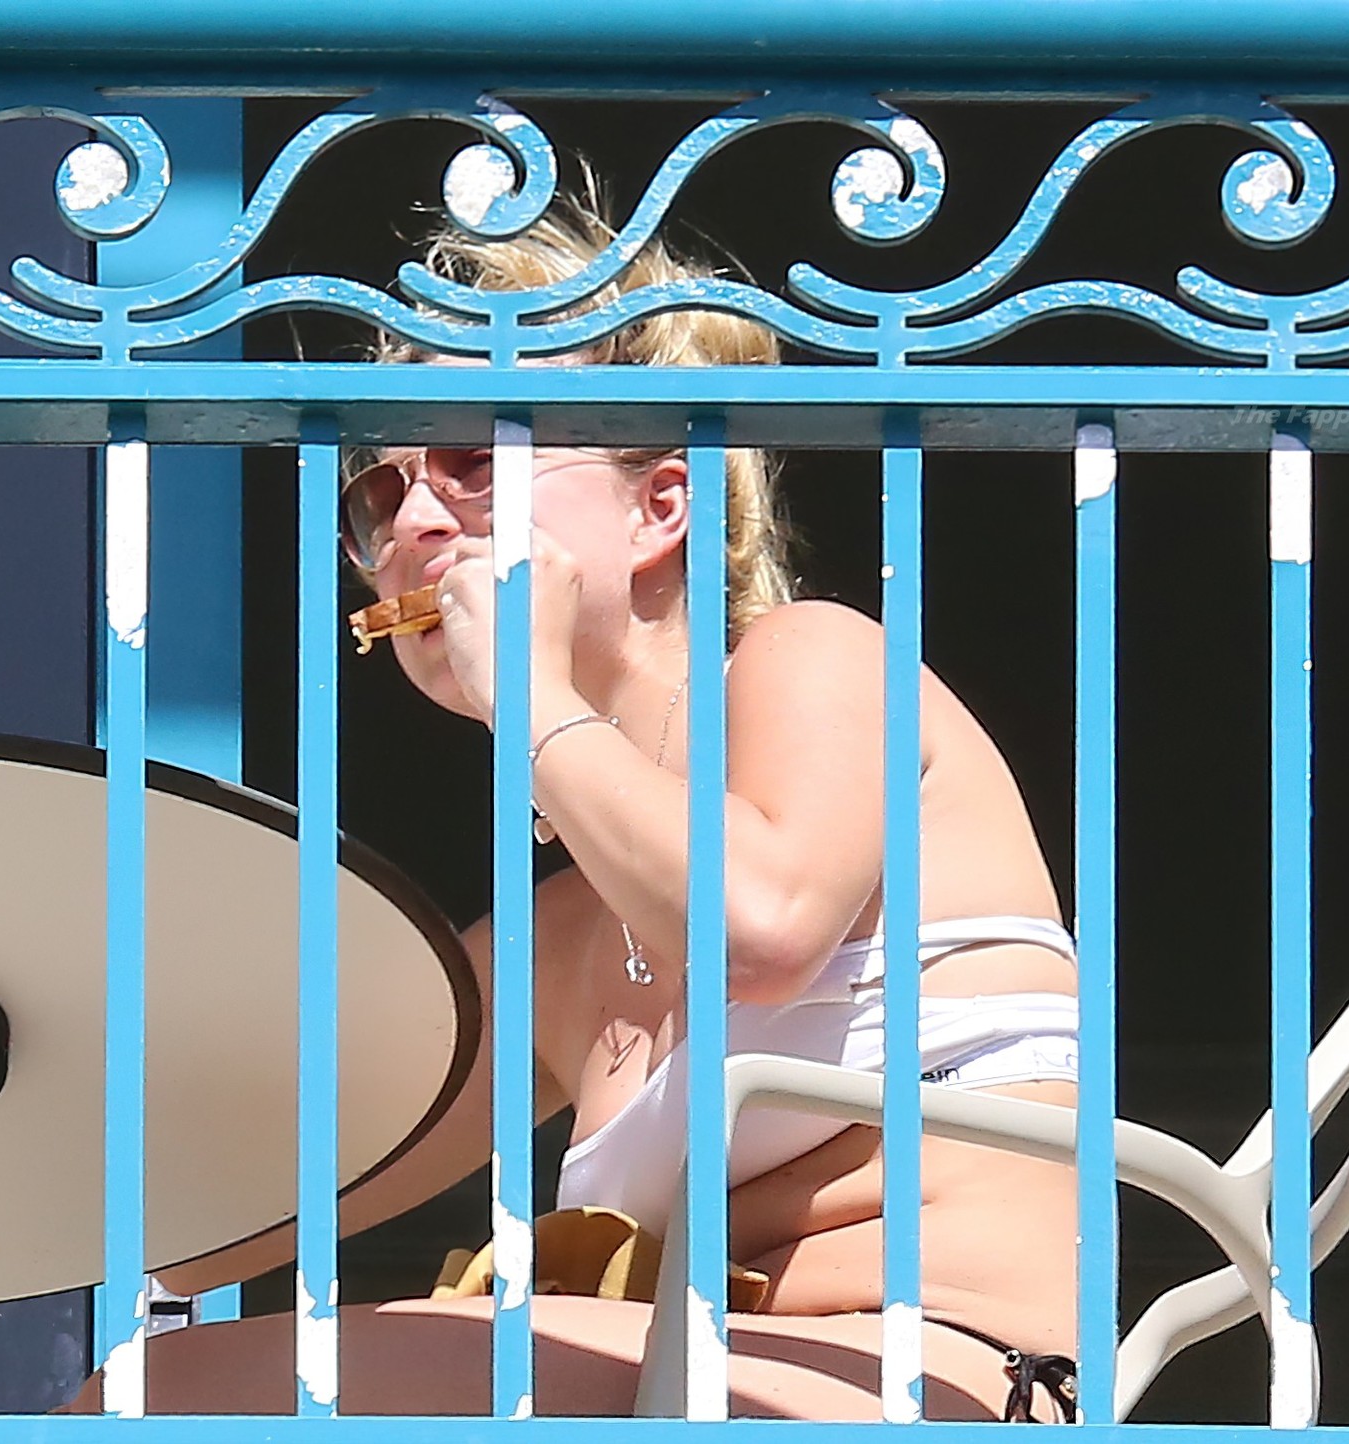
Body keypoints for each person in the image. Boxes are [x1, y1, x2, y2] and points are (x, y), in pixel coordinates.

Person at [66, 198, 1080, 1421]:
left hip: (942, 1377)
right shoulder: (554, 941)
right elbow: (219, 1227)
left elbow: (761, 930)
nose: (413, 524)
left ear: (664, 506)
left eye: (473, 463)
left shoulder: (820, 659)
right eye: (379, 495)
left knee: (156, 1399)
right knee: (149, 1391)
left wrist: (534, 695)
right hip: (679, 1387)